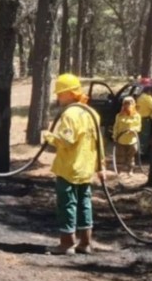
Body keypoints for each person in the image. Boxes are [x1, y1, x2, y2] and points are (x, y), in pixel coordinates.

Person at [42, 73, 106, 255]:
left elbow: (66, 141)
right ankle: (85, 243)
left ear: (70, 93)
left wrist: (49, 137)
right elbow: (98, 142)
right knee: (84, 204)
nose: (58, 97)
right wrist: (101, 166)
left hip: (69, 168)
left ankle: (67, 244)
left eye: (60, 93)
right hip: (86, 168)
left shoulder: (70, 114)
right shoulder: (91, 112)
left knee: (67, 204)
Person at [112, 96, 141, 176]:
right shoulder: (119, 115)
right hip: (121, 140)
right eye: (125, 103)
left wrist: (133, 129)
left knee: (131, 156)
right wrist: (115, 136)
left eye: (129, 103)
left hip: (132, 140)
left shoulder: (137, 116)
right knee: (120, 156)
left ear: (133, 104)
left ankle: (130, 170)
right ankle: (119, 171)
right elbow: (116, 127)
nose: (127, 105)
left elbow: (139, 127)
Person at [136, 88, 152, 156]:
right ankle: (142, 152)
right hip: (145, 119)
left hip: (139, 118)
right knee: (145, 136)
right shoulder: (148, 98)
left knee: (140, 136)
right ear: (149, 91)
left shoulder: (140, 97)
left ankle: (139, 150)